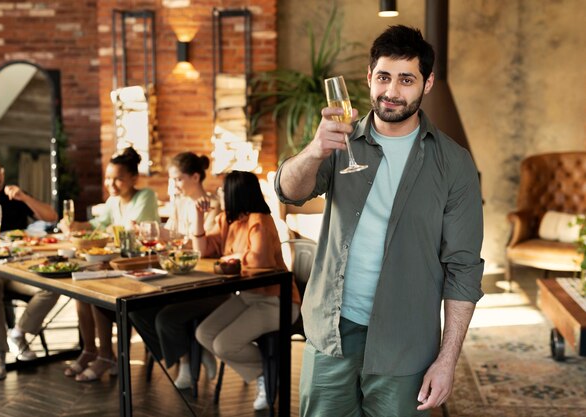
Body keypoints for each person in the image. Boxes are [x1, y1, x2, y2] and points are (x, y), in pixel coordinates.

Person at [274, 25, 484, 416]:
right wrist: (315, 150)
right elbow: (289, 190)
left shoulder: (454, 164)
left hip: (405, 343)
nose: (392, 91)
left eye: (407, 79)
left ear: (428, 83)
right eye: (384, 77)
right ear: (369, 78)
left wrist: (447, 359)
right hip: (331, 333)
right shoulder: (339, 140)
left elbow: (464, 269)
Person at [193, 170, 301, 411]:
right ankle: (266, 369)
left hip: (278, 302)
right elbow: (203, 251)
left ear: (235, 193)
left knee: (223, 345)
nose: (221, 194)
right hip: (249, 297)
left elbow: (259, 262)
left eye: (224, 190)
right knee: (205, 333)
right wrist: (199, 218)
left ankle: (268, 374)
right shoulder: (227, 220)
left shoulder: (259, 221)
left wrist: (232, 256)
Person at [60, 147, 160, 382]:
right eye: (108, 178)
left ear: (133, 178)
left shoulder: (145, 196)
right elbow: (97, 224)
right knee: (81, 292)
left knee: (95, 289)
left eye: (118, 179)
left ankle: (106, 355)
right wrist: (73, 226)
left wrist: (95, 230)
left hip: (140, 266)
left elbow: (128, 232)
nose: (111, 184)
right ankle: (90, 350)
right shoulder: (114, 201)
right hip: (117, 264)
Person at [0, 146, 60, 380]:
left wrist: (24, 197)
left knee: (53, 284)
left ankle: (19, 332)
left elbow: (51, 217)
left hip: (15, 267)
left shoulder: (11, 197)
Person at [130, 152, 223, 389]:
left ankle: (185, 361)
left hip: (206, 282)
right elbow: (169, 240)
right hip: (178, 277)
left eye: (178, 179)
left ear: (195, 177)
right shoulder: (180, 204)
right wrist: (151, 234)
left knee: (165, 318)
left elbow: (204, 249)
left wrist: (165, 235)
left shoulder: (212, 206)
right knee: (136, 311)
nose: (174, 185)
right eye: (172, 180)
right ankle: (190, 354)